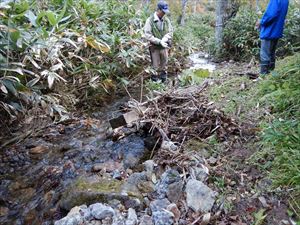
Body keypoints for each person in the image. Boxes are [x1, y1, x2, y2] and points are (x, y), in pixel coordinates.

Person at [256, 0, 289, 75]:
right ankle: (271, 74)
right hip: (277, 30)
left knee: (265, 54)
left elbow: (271, 14)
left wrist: (261, 21)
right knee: (271, 53)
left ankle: (263, 75)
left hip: (269, 31)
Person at [144, 1, 173, 82]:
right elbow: (147, 35)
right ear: (158, 10)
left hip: (164, 47)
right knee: (155, 66)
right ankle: (154, 84)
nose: (164, 14)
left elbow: (170, 32)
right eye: (163, 12)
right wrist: (159, 41)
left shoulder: (166, 20)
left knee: (164, 65)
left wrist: (165, 38)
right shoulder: (150, 20)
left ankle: (164, 82)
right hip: (154, 47)